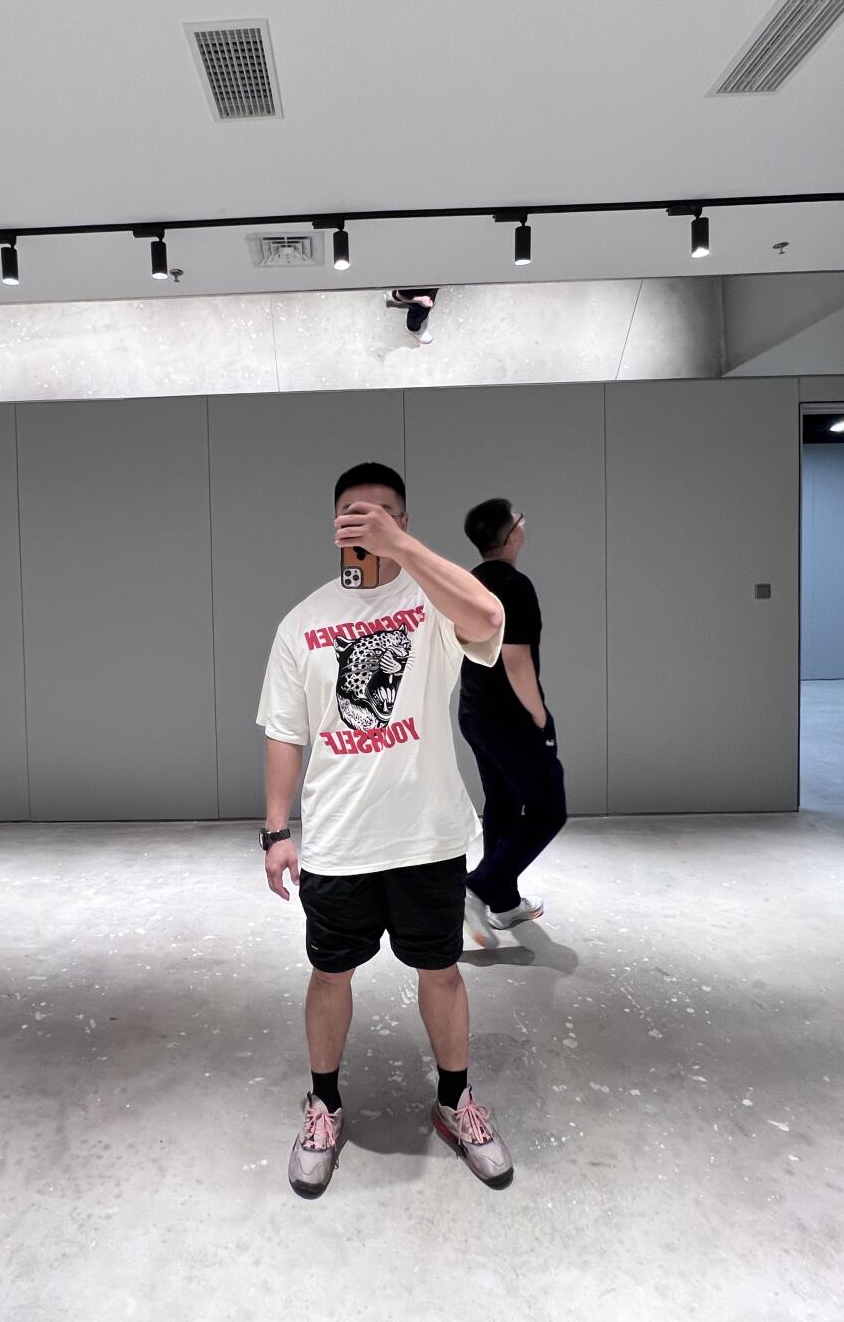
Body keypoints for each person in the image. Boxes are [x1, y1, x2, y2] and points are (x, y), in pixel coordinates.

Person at [257, 461, 515, 1198]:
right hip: (339, 839)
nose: (365, 524)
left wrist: (402, 550)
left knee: (441, 971)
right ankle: (324, 1105)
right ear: (333, 524)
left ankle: (455, 1101)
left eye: (382, 514)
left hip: (426, 835)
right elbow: (284, 731)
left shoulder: (434, 599)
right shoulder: (302, 622)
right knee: (330, 972)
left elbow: (488, 620)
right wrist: (276, 831)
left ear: (404, 520)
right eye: (352, 513)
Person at [456, 498, 567, 951]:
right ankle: (479, 886)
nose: (524, 522)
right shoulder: (515, 586)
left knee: (502, 802)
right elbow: (516, 659)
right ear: (510, 535)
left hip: (474, 712)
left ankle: (503, 902)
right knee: (548, 809)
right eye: (519, 518)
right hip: (510, 716)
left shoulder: (468, 582)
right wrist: (540, 716)